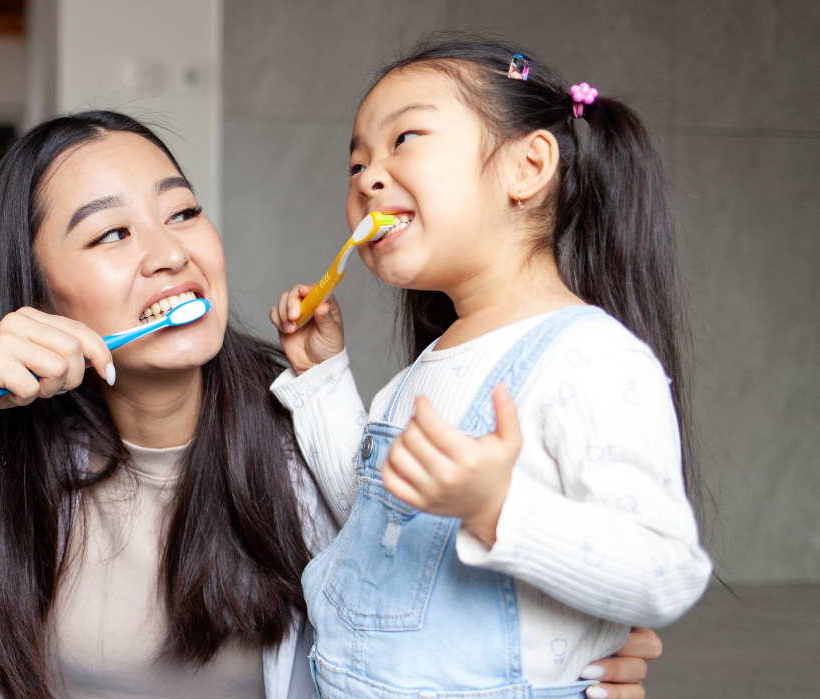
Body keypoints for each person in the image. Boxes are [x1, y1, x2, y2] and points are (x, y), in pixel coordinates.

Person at [0, 111, 659, 699]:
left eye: (180, 211)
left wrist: (572, 654)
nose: (170, 249)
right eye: (110, 234)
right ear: (38, 296)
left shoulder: (309, 424)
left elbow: (442, 604)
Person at [269, 33, 708, 699]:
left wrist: (500, 507)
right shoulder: (427, 366)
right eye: (354, 164)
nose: (366, 178)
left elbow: (667, 568)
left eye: (404, 139)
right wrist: (321, 377)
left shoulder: (589, 358)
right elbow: (371, 520)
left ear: (527, 166)